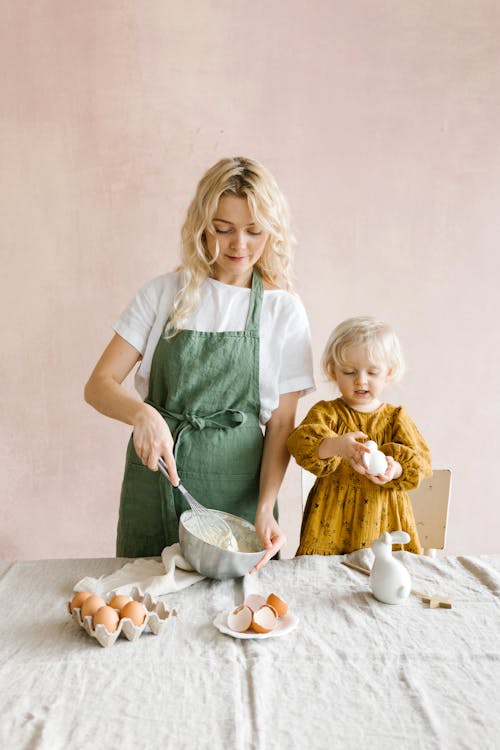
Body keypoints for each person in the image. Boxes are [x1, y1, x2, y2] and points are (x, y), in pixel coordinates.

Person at [84, 156, 315, 569]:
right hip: (155, 487)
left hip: (240, 495)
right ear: (201, 225)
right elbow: (99, 384)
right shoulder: (163, 293)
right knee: (148, 605)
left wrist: (265, 508)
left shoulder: (283, 311)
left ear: (272, 232)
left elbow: (281, 424)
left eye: (253, 231)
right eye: (222, 229)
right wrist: (143, 415)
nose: (238, 245)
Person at [287, 316, 431, 555]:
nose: (361, 380)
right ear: (333, 372)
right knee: (326, 580)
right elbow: (301, 443)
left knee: (384, 577)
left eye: (373, 372)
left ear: (389, 373)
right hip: (331, 520)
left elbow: (420, 463)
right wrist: (335, 446)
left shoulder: (395, 418)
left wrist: (394, 469)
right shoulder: (328, 413)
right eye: (350, 371)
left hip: (384, 518)